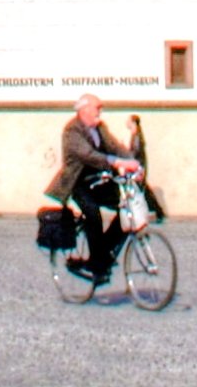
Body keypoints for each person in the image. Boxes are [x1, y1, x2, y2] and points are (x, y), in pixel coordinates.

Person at [44, 94, 142, 288]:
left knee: (126, 207)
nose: (100, 111)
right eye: (97, 107)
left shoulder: (100, 127)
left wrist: (135, 163)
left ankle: (103, 252)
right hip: (77, 182)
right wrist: (118, 162)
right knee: (93, 215)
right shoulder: (72, 131)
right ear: (84, 110)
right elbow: (88, 156)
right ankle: (95, 264)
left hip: (98, 180)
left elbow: (115, 147)